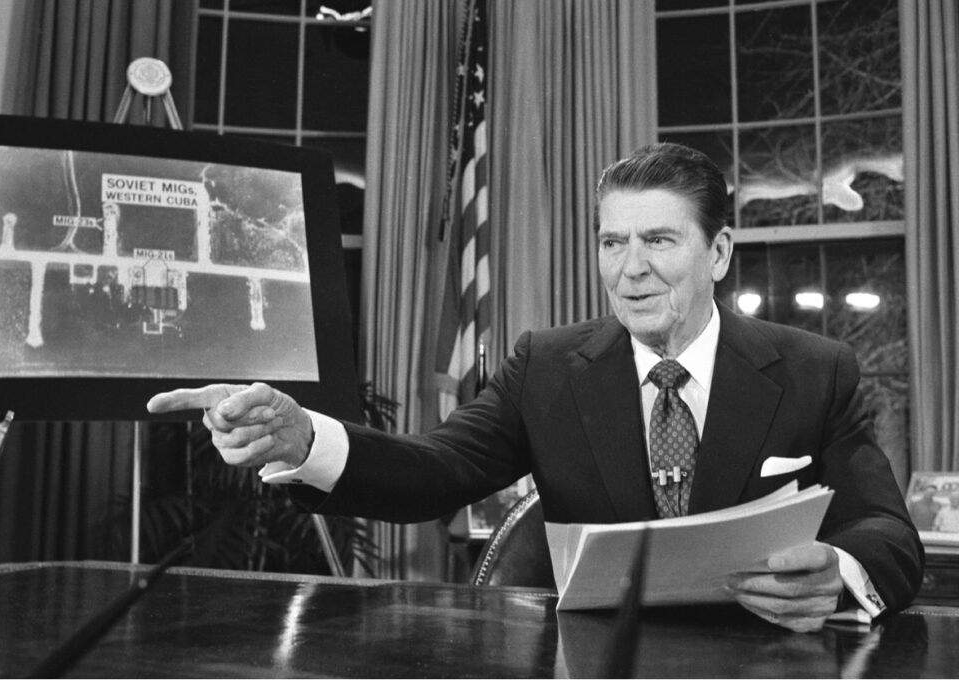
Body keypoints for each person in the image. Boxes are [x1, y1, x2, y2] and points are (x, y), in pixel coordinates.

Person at [147, 143, 923, 633]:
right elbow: (436, 472)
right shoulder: (549, 366)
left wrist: (840, 573)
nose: (630, 268)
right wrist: (305, 440)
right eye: (612, 241)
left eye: (658, 239)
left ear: (718, 252)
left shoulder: (816, 370)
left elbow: (886, 533)